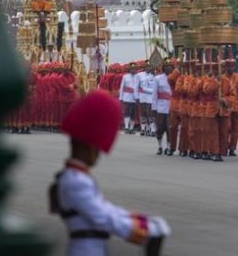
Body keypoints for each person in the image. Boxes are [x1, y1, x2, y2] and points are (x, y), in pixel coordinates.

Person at [52, 91, 171, 256]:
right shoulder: (76, 181)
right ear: (86, 147)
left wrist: (138, 219)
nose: (98, 156)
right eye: (96, 150)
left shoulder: (76, 177)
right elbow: (104, 217)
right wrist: (143, 229)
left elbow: (105, 208)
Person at [152, 59, 174, 155]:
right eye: (167, 66)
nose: (168, 68)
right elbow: (154, 94)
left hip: (171, 107)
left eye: (170, 66)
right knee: (160, 128)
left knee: (170, 128)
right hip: (160, 107)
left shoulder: (175, 78)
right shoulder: (158, 78)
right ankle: (160, 146)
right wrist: (154, 108)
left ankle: (168, 147)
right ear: (164, 68)